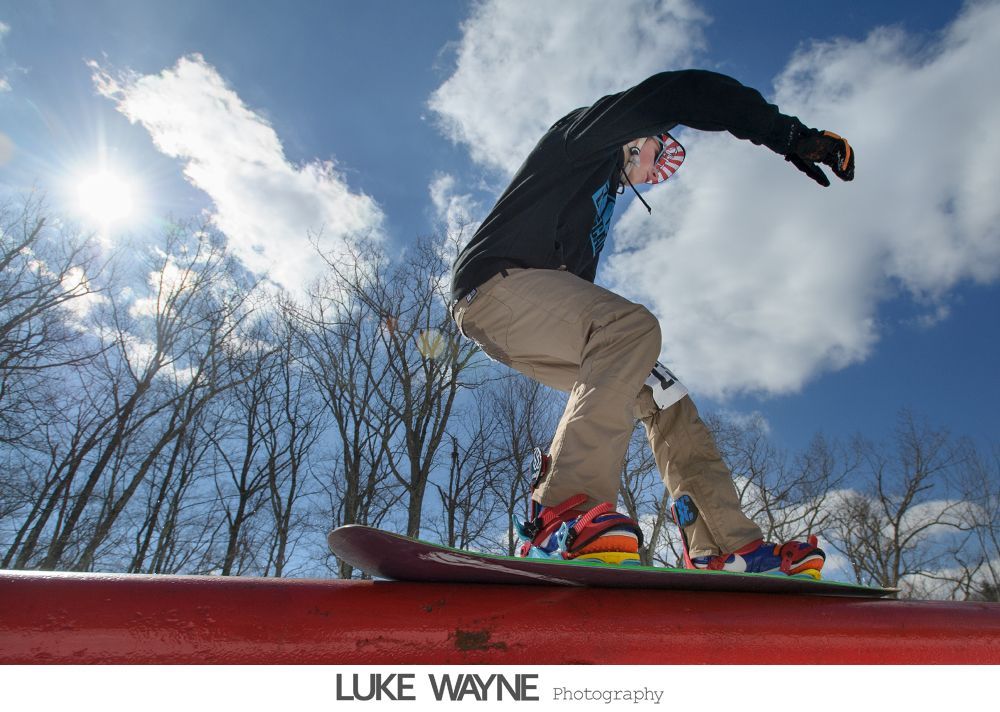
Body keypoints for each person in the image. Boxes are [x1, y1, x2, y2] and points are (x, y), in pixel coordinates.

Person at [449, 69, 854, 577]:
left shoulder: (595, 211)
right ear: (636, 138)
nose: (654, 174)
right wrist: (788, 135)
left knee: (664, 395)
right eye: (656, 157)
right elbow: (685, 91)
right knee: (633, 327)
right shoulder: (584, 137)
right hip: (495, 284)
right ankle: (560, 513)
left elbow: (583, 311)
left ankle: (724, 546)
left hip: (532, 313)